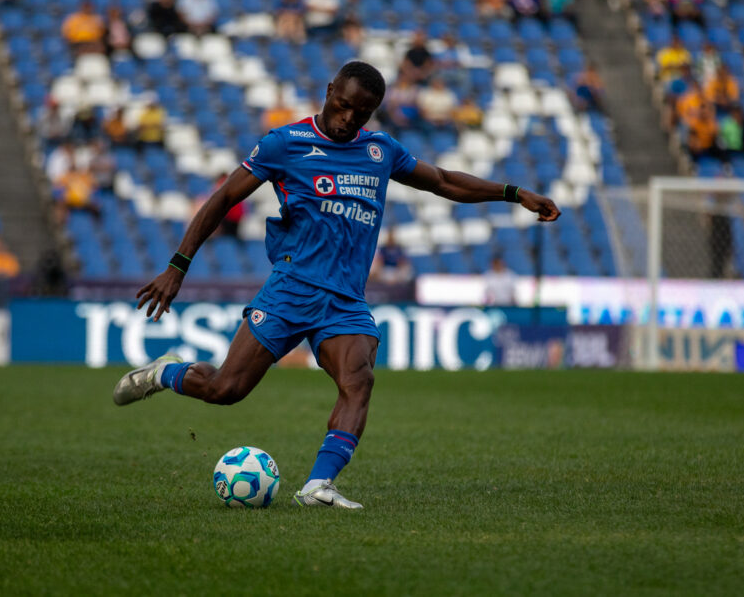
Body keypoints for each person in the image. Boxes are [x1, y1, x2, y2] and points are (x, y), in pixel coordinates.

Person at [113, 61, 560, 510]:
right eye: (343, 106)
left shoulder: (380, 150)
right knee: (225, 390)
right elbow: (224, 197)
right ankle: (164, 373)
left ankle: (318, 485)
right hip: (292, 288)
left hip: (345, 300)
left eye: (361, 113)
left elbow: (443, 181)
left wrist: (513, 192)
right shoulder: (285, 143)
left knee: (358, 380)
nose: (349, 119)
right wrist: (177, 266)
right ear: (329, 91)